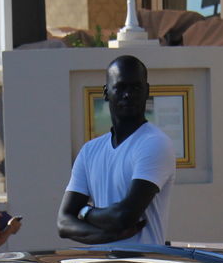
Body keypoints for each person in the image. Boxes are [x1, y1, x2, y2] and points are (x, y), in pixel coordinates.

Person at [58, 54, 176, 246]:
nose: (128, 95)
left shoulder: (155, 143)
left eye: (135, 87)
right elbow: (63, 223)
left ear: (147, 91)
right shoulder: (90, 151)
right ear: (106, 92)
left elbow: (125, 216)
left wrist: (85, 211)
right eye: (120, 87)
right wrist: (109, 237)